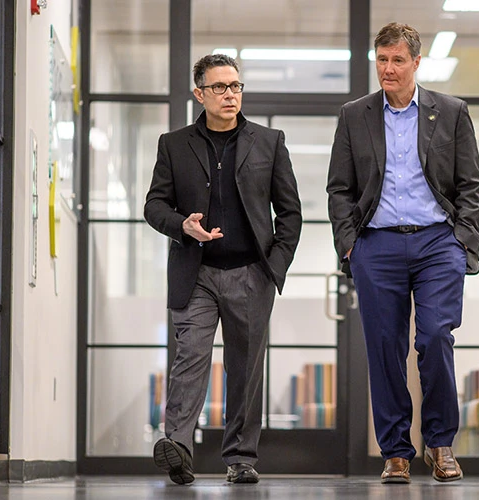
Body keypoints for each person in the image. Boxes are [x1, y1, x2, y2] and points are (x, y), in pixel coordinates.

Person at [326, 22, 479, 483]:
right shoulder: (355, 115)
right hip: (377, 244)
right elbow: (339, 188)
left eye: (397, 60)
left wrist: (464, 239)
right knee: (384, 347)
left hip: (438, 241)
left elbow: (470, 184)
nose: (388, 69)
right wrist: (350, 243)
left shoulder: (450, 112)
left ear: (417, 62)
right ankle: (396, 451)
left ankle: (440, 444)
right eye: (382, 60)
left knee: (434, 337)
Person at [144, 54, 302, 485]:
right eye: (220, 87)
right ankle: (177, 447)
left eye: (235, 86)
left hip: (251, 272)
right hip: (195, 273)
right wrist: (183, 226)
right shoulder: (173, 144)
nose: (230, 94)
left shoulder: (269, 142)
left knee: (245, 367)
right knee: (190, 357)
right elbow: (154, 205)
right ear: (200, 94)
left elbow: (289, 211)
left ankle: (240, 458)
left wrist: (276, 264)